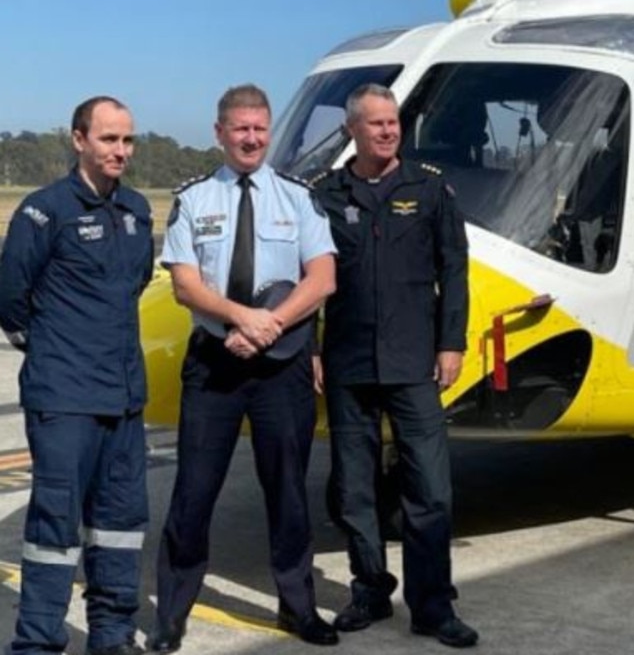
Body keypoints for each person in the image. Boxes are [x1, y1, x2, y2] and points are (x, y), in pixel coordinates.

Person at [148, 84, 338, 651]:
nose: (251, 138)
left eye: (259, 128)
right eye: (240, 128)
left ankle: (297, 608)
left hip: (282, 367)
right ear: (220, 133)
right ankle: (173, 613)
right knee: (193, 492)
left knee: (288, 492)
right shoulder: (193, 199)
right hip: (214, 366)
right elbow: (185, 285)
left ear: (269, 130)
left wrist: (268, 327)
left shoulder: (298, 198)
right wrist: (239, 319)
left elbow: (322, 279)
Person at [312, 84, 479, 648]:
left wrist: (451, 342)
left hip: (414, 360)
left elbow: (454, 270)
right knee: (354, 487)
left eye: (393, 123)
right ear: (352, 131)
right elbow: (308, 278)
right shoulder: (326, 196)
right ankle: (369, 589)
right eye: (376, 123)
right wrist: (313, 347)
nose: (388, 131)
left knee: (429, 487)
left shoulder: (428, 189)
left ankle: (432, 606)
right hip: (348, 362)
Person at [0, 97, 154, 655]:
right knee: (54, 528)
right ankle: (38, 641)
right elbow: (11, 299)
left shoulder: (137, 211)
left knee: (120, 524)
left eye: (127, 140)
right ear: (78, 140)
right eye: (109, 139)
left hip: (124, 399)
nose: (120, 151)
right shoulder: (44, 212)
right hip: (64, 399)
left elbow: (133, 285)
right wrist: (54, 353)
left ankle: (111, 635)